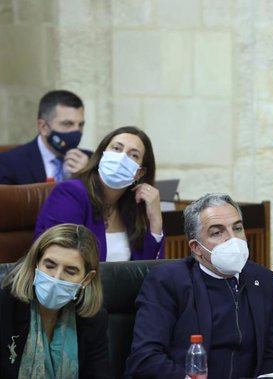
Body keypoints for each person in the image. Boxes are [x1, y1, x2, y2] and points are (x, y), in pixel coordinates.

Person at [125, 193, 273, 379]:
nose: (233, 239)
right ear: (196, 248)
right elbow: (145, 358)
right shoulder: (168, 281)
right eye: (217, 232)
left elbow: (270, 358)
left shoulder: (263, 280)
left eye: (237, 228)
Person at [35, 126, 165, 261]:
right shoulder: (70, 194)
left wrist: (155, 222)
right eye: (116, 148)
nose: (121, 158)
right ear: (102, 154)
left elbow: (148, 271)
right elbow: (61, 260)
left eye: (133, 155)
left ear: (139, 173)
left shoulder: (136, 208)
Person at [0, 223, 112, 378]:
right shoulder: (5, 305)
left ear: (86, 279)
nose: (56, 277)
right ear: (36, 264)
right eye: (50, 265)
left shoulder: (93, 320)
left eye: (70, 271)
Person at [0, 90, 92, 184]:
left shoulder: (92, 161)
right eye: (67, 124)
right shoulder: (8, 164)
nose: (76, 131)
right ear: (43, 127)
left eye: (80, 125)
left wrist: (86, 177)